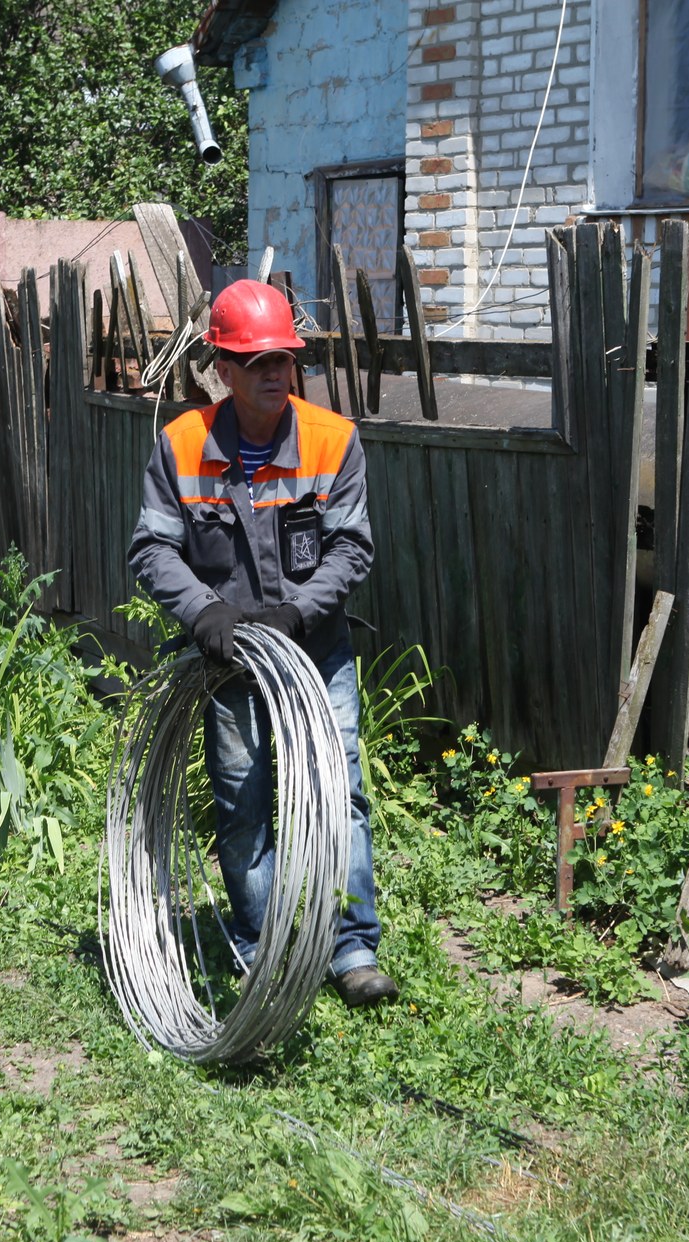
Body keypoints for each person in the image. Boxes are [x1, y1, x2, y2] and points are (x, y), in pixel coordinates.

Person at [127, 279, 399, 1009]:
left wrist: (297, 613)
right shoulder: (181, 446)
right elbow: (153, 549)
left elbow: (352, 548)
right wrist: (204, 611)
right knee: (242, 798)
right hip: (227, 657)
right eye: (258, 362)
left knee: (337, 789)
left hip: (317, 649)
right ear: (222, 365)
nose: (275, 372)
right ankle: (265, 944)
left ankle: (349, 947)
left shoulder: (332, 439)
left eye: (284, 358)